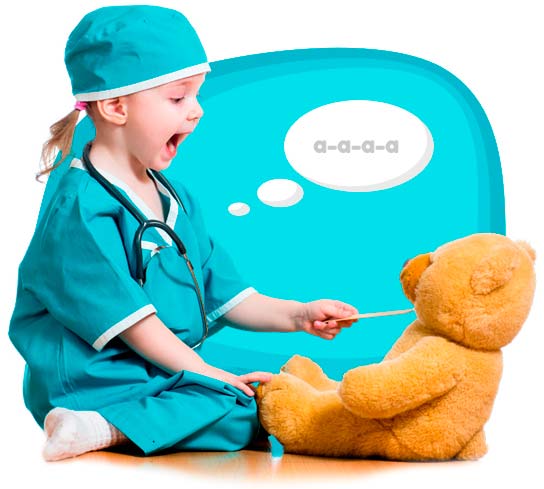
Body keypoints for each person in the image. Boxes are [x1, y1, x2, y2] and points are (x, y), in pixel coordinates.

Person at [8, 4, 359, 462]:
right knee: (236, 402)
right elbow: (134, 323)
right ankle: (95, 424)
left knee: (250, 401)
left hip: (152, 372)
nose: (196, 112)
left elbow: (225, 294)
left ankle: (135, 421)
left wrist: (299, 315)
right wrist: (205, 373)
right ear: (116, 106)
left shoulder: (176, 198)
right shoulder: (80, 208)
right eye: (178, 99)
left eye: (196, 96)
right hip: (91, 379)